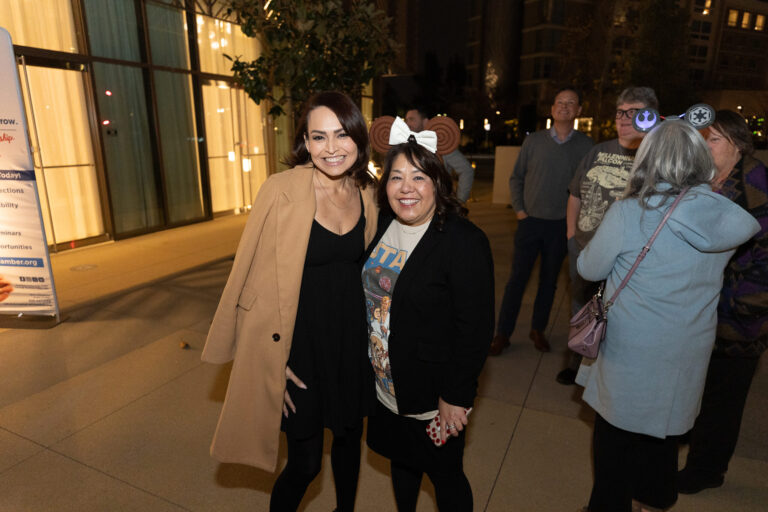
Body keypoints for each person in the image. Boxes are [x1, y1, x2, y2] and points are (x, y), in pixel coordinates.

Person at [201, 91, 378, 512]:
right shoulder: (280, 190)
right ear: (305, 142)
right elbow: (251, 283)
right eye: (319, 137)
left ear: (358, 137)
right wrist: (270, 362)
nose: (331, 148)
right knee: (305, 463)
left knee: (350, 441)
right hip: (299, 348)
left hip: (352, 344)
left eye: (341, 135)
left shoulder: (368, 191)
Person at [575, 120, 759, 512]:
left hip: (632, 348)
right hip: (687, 347)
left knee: (614, 441)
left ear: (649, 160)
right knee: (663, 437)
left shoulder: (631, 212)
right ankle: (654, 502)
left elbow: (589, 268)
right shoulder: (722, 215)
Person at [363, 117, 494, 511]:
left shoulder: (463, 241)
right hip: (386, 384)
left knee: (445, 475)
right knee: (402, 461)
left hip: (432, 394)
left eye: (418, 177)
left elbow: (475, 330)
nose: (406, 188)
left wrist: (455, 396)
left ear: (438, 182)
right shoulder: (381, 225)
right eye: (396, 177)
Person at [677, 110, 768, 494]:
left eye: (713, 139)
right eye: (702, 139)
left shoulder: (754, 181)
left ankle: (707, 470)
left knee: (723, 398)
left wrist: (744, 304)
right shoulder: (713, 178)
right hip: (712, 307)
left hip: (741, 314)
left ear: (737, 143)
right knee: (703, 387)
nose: (705, 146)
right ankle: (696, 446)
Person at [556, 86, 658, 384]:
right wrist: (571, 234)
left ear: (650, 117)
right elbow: (575, 195)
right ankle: (577, 364)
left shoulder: (655, 158)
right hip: (584, 248)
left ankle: (608, 374)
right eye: (620, 112)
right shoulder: (597, 151)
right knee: (581, 308)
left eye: (634, 112)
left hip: (625, 258)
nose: (624, 119)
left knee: (618, 316)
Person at [489, 87, 593, 355]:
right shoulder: (533, 141)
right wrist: (520, 211)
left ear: (579, 110)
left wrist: (576, 223)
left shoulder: (586, 146)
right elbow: (516, 177)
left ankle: (538, 330)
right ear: (552, 108)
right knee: (517, 280)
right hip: (530, 222)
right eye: (560, 102)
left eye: (571, 103)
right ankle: (502, 334)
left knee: (549, 282)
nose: (565, 106)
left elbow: (589, 187)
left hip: (561, 226)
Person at [404, 107, 475, 202]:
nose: (408, 124)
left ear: (425, 122)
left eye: (412, 119)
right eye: (407, 120)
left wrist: (460, 201)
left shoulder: (441, 145)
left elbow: (466, 170)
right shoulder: (405, 144)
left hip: (437, 204)